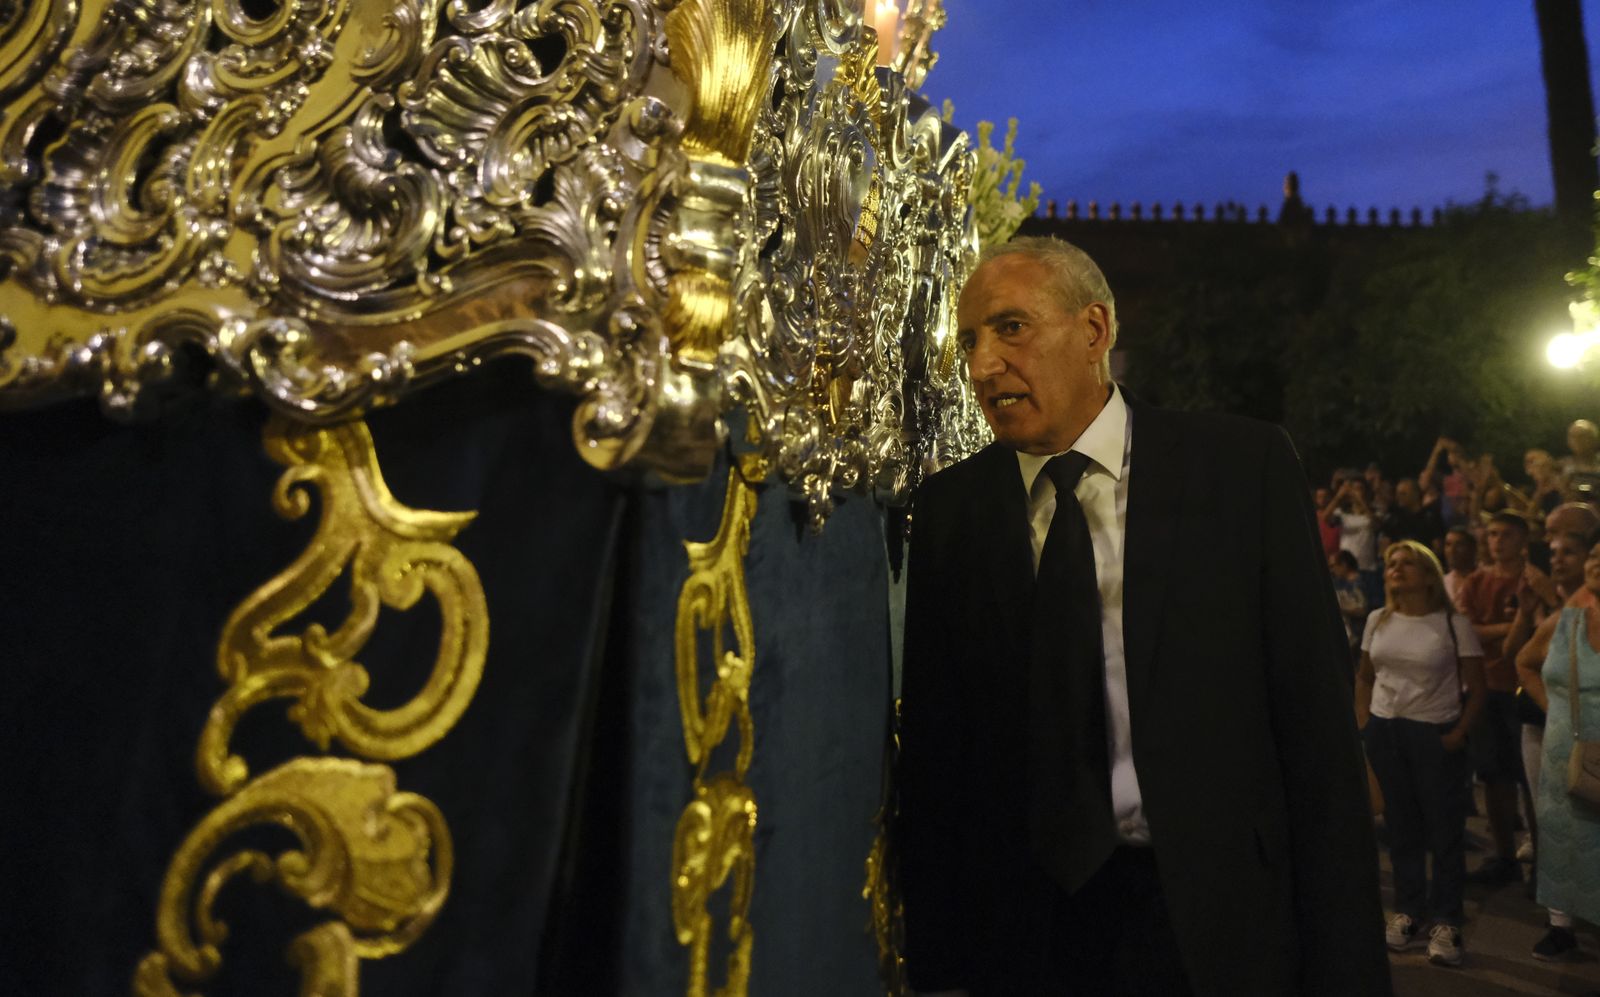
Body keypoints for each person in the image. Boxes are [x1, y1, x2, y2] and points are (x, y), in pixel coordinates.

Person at [897, 236, 1389, 996]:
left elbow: (1316, 726)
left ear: (1094, 331)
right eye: (970, 341)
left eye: (1011, 328)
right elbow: (941, 752)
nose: (982, 366)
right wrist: (939, 964)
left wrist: (1348, 966)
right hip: (1029, 934)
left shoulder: (1238, 470)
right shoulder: (950, 510)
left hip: (1218, 921)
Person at [1356, 541, 1486, 967]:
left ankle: (1448, 918)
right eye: (1391, 563)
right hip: (1385, 730)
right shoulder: (1378, 619)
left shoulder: (1452, 623)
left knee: (1443, 827)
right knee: (1401, 827)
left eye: (1407, 563)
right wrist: (1363, 723)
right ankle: (1409, 909)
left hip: (1432, 733)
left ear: (1429, 575)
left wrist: (1458, 733)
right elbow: (1364, 676)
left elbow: (1476, 686)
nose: (1396, 569)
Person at [1457, 511, 1558, 886]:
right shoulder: (1477, 581)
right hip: (1489, 687)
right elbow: (1467, 630)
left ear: (1523, 539)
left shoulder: (1535, 580)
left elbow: (1549, 627)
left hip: (1528, 689)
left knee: (1533, 782)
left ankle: (1544, 864)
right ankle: (1504, 856)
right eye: (1493, 534)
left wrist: (1498, 631)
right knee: (1495, 778)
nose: (1497, 541)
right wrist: (1513, 626)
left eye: (1506, 535)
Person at [1514, 534, 1600, 962]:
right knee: (1562, 832)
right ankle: (1561, 924)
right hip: (1564, 744)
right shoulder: (1568, 617)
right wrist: (1558, 711)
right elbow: (1525, 662)